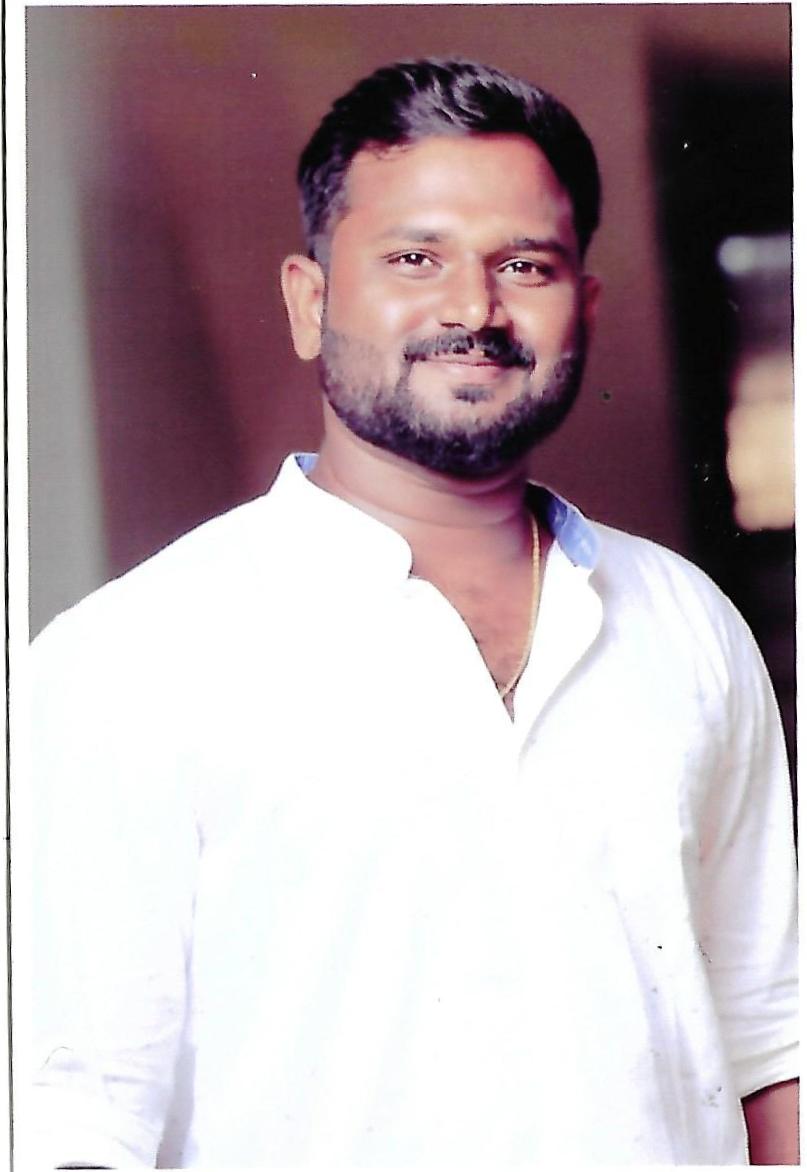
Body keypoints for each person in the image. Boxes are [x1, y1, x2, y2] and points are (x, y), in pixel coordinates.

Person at [30, 58, 798, 1167]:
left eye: (522, 264)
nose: (472, 309)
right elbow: (74, 1117)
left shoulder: (688, 624)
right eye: (413, 257)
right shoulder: (132, 656)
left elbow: (771, 1047)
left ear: (582, 307)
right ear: (310, 301)